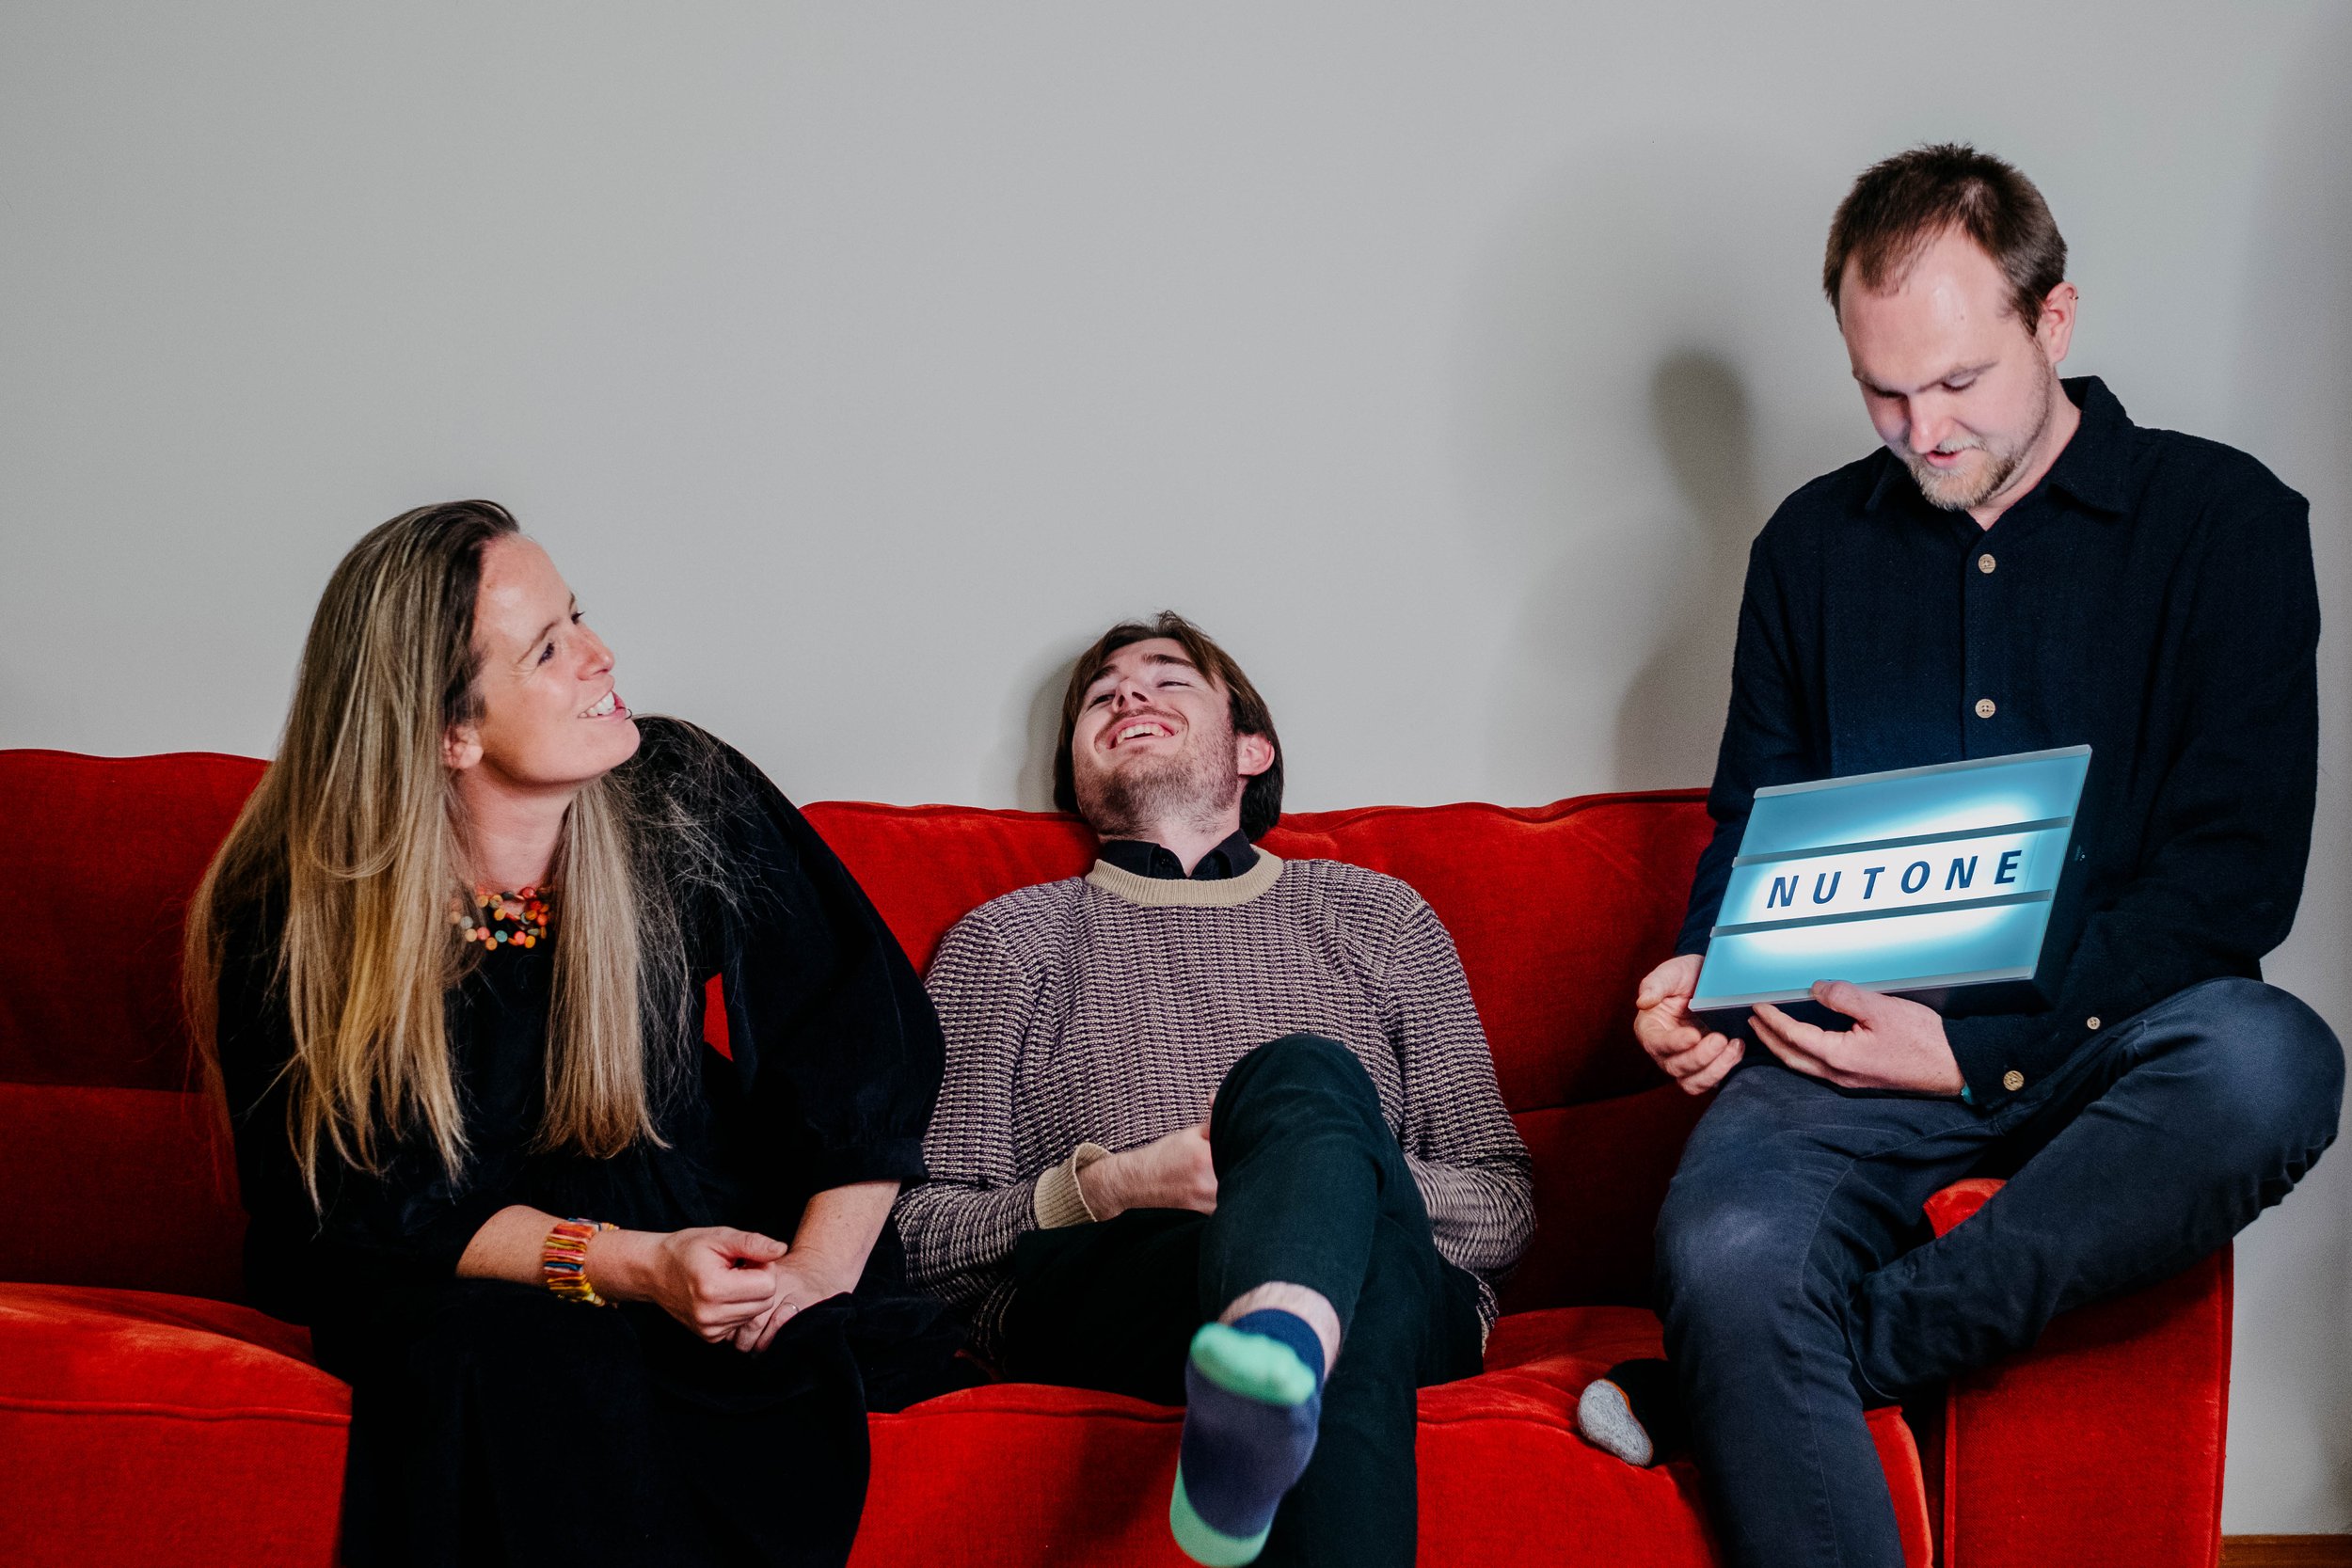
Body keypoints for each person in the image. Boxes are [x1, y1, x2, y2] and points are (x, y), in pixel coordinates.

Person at [1585, 145, 2344, 1567]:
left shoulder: (2225, 522)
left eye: (1957, 382)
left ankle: (1769, 1375)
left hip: (2117, 1039)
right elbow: (1756, 817)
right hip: (1847, 1044)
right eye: (1881, 391)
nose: (1921, 429)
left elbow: (2234, 880)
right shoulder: (1808, 547)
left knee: (2272, 1062)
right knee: (1723, 1249)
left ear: (2053, 320)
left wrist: (1981, 1053)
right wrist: (1705, 973)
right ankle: (1754, 1356)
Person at [187, 500, 950, 1568]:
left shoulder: (676, 787)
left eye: (578, 615)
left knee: (791, 1375)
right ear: (450, 732)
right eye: (548, 648)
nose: (602, 655)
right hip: (465, 1275)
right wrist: (633, 1265)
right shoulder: (289, 908)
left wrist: (815, 1275)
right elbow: (358, 1213)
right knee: (510, 1353)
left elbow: (858, 1032)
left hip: (699, 1229)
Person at [892, 612, 1534, 1568]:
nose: (1127, 693)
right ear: (1075, 777)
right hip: (1127, 1280)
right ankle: (1284, 1337)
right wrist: (1114, 1184)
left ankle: (1278, 1338)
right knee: (1347, 1270)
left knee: (1304, 1079)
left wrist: (1313, 1175)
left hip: (1394, 1274)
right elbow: (914, 1237)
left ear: (1250, 749)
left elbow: (1505, 1204)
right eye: (1100, 694)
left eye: (1167, 677)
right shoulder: (1006, 942)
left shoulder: (1380, 916)